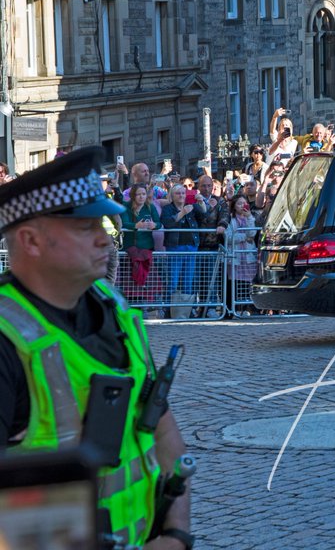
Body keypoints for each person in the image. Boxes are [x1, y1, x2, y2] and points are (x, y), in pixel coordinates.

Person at [0, 147, 193, 549]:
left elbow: (161, 424)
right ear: (31, 240)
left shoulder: (115, 307)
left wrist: (176, 533)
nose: (104, 238)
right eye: (86, 226)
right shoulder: (6, 341)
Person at [160, 184, 200, 308]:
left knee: (188, 280)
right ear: (172, 195)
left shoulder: (191, 207)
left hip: (191, 247)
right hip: (175, 247)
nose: (181, 195)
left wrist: (202, 202)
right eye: (178, 193)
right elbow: (167, 223)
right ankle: (169, 308)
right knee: (173, 280)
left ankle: (186, 309)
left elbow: (205, 213)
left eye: (183, 193)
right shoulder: (168, 208)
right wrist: (182, 213)